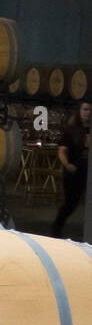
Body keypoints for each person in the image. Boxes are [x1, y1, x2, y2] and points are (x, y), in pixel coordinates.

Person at [53, 100, 90, 237]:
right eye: (85, 110)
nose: (88, 113)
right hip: (74, 171)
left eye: (90, 110)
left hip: (88, 171)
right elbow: (62, 150)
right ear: (79, 112)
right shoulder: (71, 130)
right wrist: (67, 165)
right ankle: (57, 228)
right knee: (70, 203)